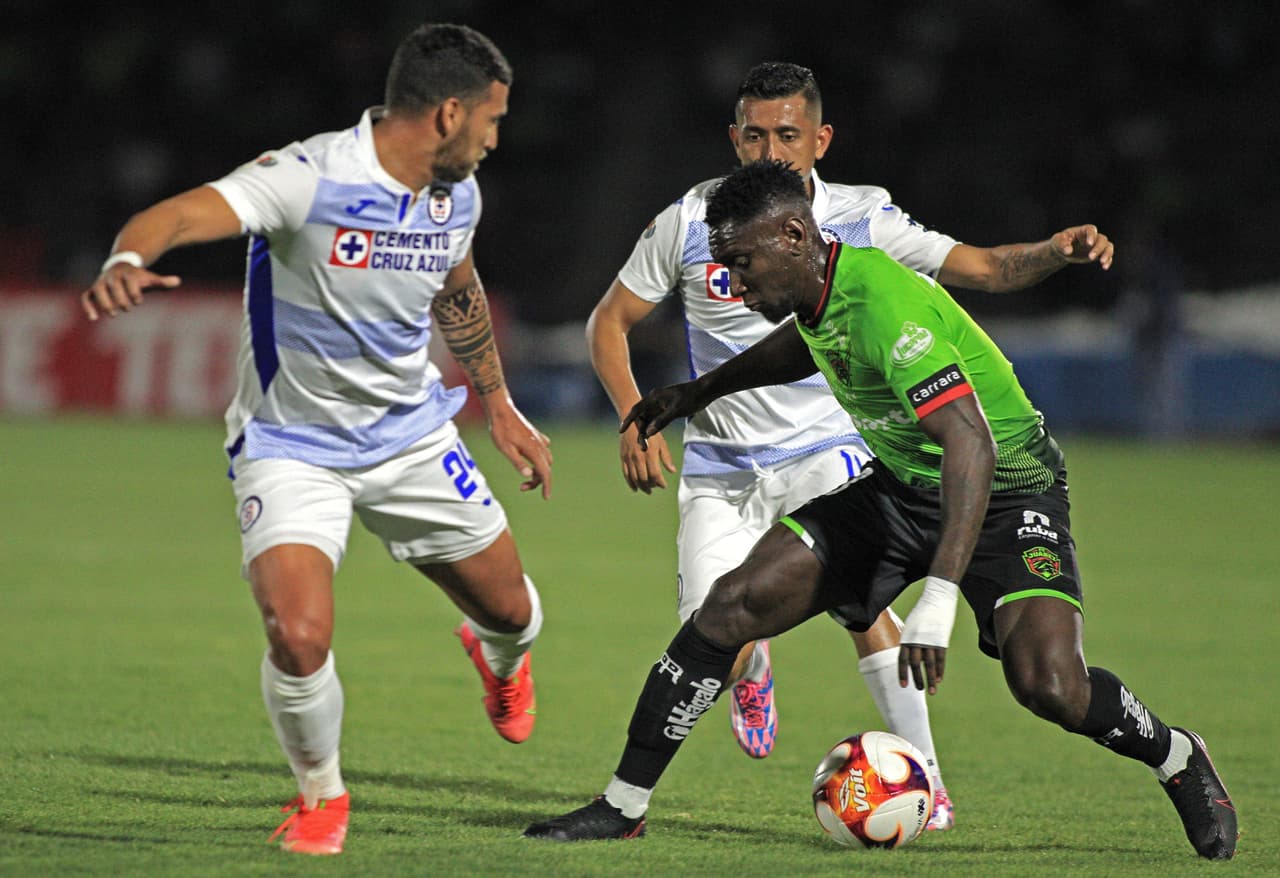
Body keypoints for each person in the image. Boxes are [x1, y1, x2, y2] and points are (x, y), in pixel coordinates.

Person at [525, 159, 1237, 861]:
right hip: (900, 490)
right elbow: (801, 346)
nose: (735, 286)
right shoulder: (819, 291)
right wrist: (697, 392)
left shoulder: (883, 304)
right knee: (730, 607)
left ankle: (1177, 754)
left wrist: (938, 598)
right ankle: (623, 806)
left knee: (1049, 685)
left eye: (743, 265)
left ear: (796, 238)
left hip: (1005, 495)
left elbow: (972, 446)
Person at [586, 61, 1114, 829]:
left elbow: (985, 267)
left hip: (827, 446)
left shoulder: (864, 218)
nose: (771, 151)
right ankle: (749, 676)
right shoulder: (694, 220)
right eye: (756, 134)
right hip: (723, 467)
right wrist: (636, 414)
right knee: (716, 638)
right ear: (733, 137)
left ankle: (925, 783)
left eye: (788, 135)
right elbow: (611, 319)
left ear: (821, 139)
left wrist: (1054, 252)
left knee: (865, 610)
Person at [80, 23, 553, 856]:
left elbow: (459, 289)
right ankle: (321, 796)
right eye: (492, 119)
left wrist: (499, 403)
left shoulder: (457, 195)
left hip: (410, 437)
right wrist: (128, 256)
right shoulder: (309, 176)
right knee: (297, 634)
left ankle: (500, 661)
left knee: (513, 611)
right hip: (291, 445)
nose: (493, 137)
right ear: (449, 112)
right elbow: (181, 212)